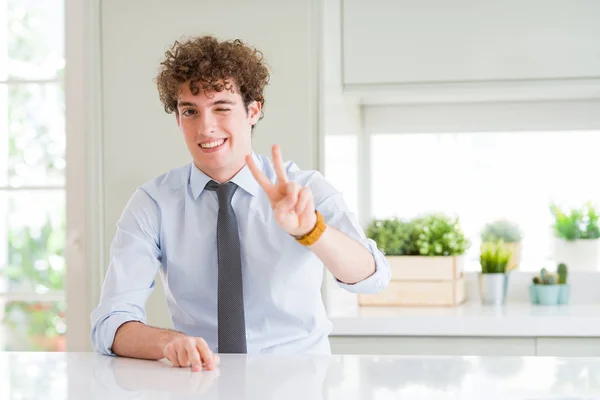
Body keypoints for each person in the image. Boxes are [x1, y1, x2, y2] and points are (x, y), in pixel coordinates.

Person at [90, 35, 390, 372]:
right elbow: (110, 324)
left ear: (253, 110)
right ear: (177, 119)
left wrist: (311, 230)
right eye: (190, 111)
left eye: (221, 107)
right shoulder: (154, 203)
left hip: (300, 383)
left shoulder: (304, 189)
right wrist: (169, 342)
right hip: (201, 382)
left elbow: (371, 278)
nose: (205, 127)